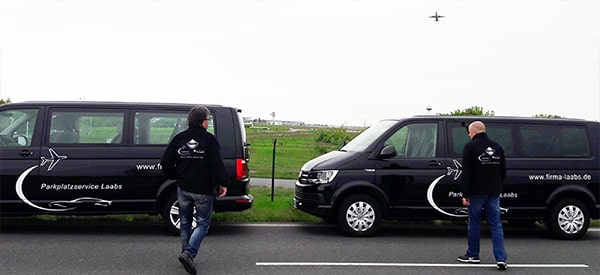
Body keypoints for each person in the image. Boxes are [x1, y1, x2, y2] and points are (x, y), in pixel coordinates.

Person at [161, 106, 229, 275]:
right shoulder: (209, 140)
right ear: (203, 122)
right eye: (208, 120)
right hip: (203, 190)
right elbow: (217, 164)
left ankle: (185, 253)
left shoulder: (179, 138)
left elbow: (165, 162)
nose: (208, 123)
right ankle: (189, 253)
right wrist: (223, 183)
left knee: (185, 222)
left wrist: (176, 176)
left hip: (183, 189)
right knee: (203, 224)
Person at [456, 121, 508, 271]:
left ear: (475, 131)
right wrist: (498, 186)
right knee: (496, 225)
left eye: (470, 132)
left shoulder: (470, 147)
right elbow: (503, 170)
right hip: (494, 192)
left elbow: (466, 172)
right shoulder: (497, 147)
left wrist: (465, 193)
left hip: (476, 192)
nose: (469, 135)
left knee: (474, 223)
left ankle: (473, 255)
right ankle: (501, 258)